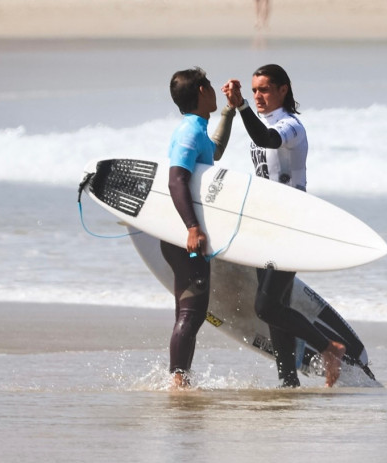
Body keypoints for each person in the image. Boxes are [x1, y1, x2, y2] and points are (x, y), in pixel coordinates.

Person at [222, 64, 346, 388]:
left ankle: (328, 348)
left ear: (283, 89)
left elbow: (266, 139)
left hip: (291, 223)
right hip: (267, 223)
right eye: (253, 90)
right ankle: (288, 381)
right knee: (275, 306)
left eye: (264, 89)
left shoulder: (291, 127)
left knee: (266, 307)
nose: (258, 96)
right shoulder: (262, 122)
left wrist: (242, 107)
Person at [164, 67, 235, 388]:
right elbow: (176, 178)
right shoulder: (189, 132)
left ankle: (180, 378)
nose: (213, 90)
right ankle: (178, 381)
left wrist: (230, 112)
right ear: (203, 91)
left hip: (183, 231)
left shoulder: (197, 128)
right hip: (185, 234)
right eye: (209, 85)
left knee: (189, 310)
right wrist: (193, 228)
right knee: (192, 311)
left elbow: (214, 151)